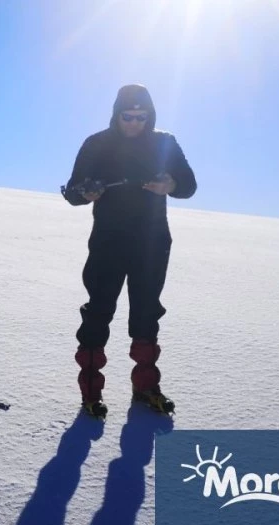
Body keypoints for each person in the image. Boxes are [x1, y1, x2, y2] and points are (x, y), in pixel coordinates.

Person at [62, 84, 197, 418]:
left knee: (147, 312)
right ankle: (91, 392)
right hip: (108, 242)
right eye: (128, 116)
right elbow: (73, 191)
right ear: (116, 114)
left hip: (152, 243)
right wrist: (87, 194)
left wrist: (172, 186)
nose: (135, 123)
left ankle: (146, 388)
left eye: (142, 116)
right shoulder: (97, 144)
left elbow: (189, 185)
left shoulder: (165, 143)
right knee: (98, 311)